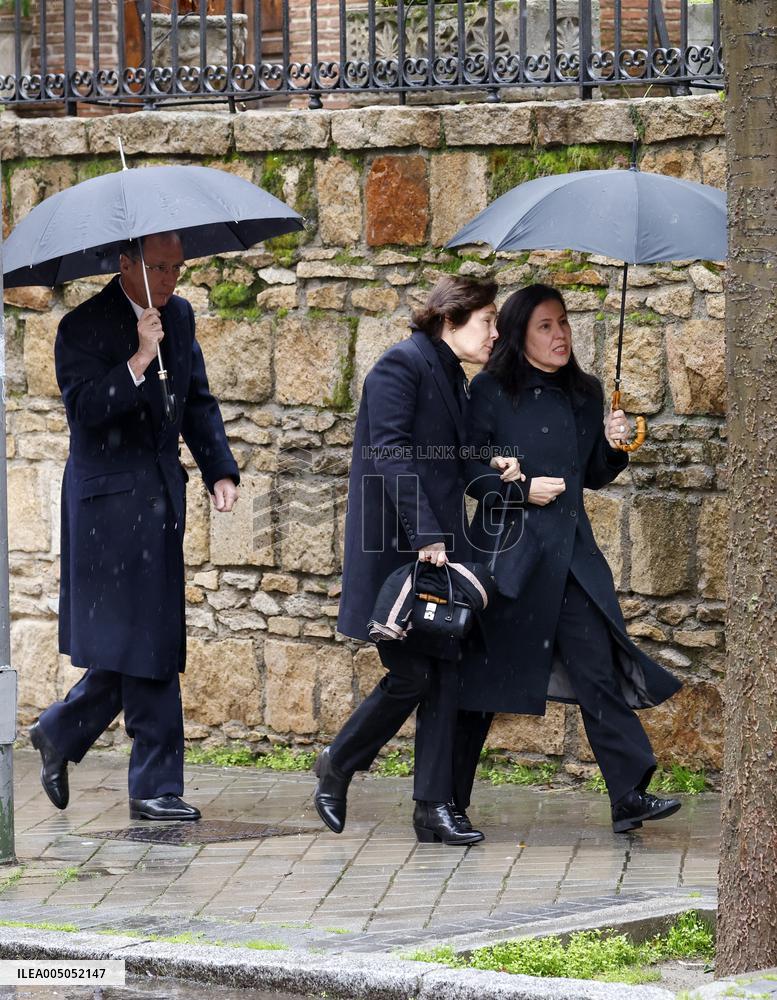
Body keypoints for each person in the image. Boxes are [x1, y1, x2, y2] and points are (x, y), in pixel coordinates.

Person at [29, 231, 239, 822]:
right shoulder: (82, 327)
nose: (171, 279)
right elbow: (86, 411)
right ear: (126, 264)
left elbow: (197, 399)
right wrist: (140, 360)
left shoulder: (182, 315)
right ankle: (153, 784)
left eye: (178, 267)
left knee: (146, 636)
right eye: (160, 267)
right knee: (148, 637)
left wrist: (219, 469)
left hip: (160, 498)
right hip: (107, 507)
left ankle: (62, 731)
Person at [457, 283, 683, 835]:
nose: (560, 335)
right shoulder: (488, 391)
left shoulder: (587, 393)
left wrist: (614, 444)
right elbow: (470, 470)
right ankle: (444, 800)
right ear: (516, 333)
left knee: (595, 669)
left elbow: (595, 474)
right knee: (484, 683)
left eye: (563, 323)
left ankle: (628, 794)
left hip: (572, 558)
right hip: (508, 558)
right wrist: (521, 489)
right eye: (545, 326)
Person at [314, 275, 520, 845]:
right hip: (397, 549)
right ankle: (338, 762)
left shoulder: (451, 373)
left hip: (435, 548)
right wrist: (427, 532)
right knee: (412, 674)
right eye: (487, 322)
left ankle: (431, 808)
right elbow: (391, 452)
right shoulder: (400, 365)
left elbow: (448, 458)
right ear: (451, 319)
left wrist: (493, 465)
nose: (496, 334)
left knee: (443, 675)